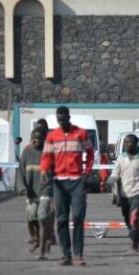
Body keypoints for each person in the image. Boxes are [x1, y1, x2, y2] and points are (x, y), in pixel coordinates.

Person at [40, 105, 94, 266]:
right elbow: (46, 157)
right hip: (59, 182)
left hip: (77, 181)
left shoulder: (81, 133)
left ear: (69, 118)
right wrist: (44, 170)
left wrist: (87, 172)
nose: (62, 122)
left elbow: (90, 153)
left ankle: (78, 254)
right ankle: (66, 255)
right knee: (62, 219)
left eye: (64, 119)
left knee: (78, 217)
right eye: (59, 120)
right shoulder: (52, 136)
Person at [108, 134, 139, 253]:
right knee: (127, 217)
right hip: (124, 193)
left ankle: (134, 244)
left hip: (138, 192)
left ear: (136, 143)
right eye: (125, 142)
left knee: (134, 216)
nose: (126, 145)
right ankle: (136, 236)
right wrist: (109, 182)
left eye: (129, 142)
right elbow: (115, 174)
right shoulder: (121, 157)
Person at [17, 129, 54, 260]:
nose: (37, 141)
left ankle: (43, 247)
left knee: (42, 218)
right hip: (31, 191)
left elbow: (56, 170)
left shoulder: (49, 151)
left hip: (45, 189)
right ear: (31, 138)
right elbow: (20, 172)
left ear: (44, 139)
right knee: (32, 216)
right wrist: (22, 187)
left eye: (40, 139)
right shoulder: (26, 151)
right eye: (35, 139)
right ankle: (37, 239)